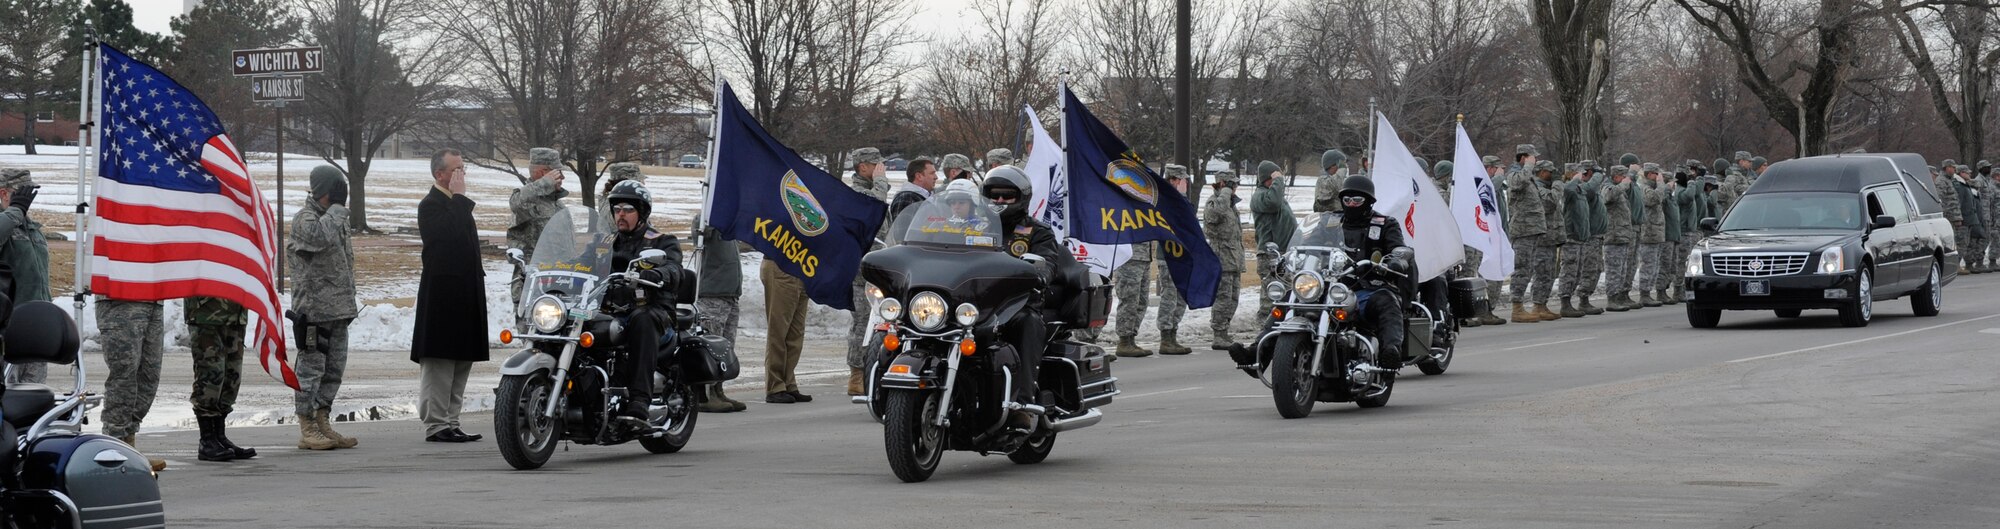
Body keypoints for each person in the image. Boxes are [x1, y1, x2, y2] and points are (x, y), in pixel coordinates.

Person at [981, 166, 1077, 428]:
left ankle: (1023, 404)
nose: (999, 201)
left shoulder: (1037, 232)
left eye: (1006, 196)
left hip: (1016, 303)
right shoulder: (974, 227)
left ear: (1020, 197)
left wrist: (1041, 272)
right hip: (974, 304)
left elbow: (1048, 260)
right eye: (994, 196)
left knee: (1027, 323)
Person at [412, 149, 488, 443]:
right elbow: (447, 235)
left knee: (461, 360)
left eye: (463, 169)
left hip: (464, 294)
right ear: (439, 174)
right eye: (456, 170)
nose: (462, 175)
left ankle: (451, 421)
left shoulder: (457, 205)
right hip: (442, 297)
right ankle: (436, 424)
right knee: (440, 363)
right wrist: (459, 199)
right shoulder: (430, 205)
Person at [290, 165, 361, 450]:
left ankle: (322, 421)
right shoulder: (305, 219)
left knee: (334, 369)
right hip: (314, 311)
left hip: (338, 309)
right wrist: (336, 209)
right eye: (337, 187)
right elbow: (319, 238)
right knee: (310, 368)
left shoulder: (336, 219)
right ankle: (307, 425)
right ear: (325, 190)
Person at [603, 180, 684, 426]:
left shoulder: (661, 241)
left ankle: (639, 401)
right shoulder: (603, 243)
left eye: (627, 209)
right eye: (617, 209)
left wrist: (659, 274)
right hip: (611, 311)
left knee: (642, 320)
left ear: (642, 212)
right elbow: (579, 263)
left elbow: (674, 268)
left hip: (653, 310)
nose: (621, 215)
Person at [1334, 176, 1410, 371]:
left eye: (1357, 200)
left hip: (1369, 287)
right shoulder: (1330, 223)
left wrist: (1395, 260)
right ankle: (1257, 350)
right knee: (1291, 298)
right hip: (1332, 287)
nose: (1351, 204)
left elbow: (1398, 248)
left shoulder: (1385, 224)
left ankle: (1390, 351)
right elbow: (1308, 244)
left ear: (1368, 202)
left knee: (1387, 301)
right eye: (1347, 200)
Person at [184, 297, 261, 460]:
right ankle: (207, 440)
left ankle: (220, 437)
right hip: (206, 310)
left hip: (235, 311)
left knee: (231, 377)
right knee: (211, 376)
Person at [98, 295, 168, 471]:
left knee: (149, 376)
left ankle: (129, 447)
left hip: (153, 297)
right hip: (120, 298)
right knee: (124, 374)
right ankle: (113, 445)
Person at [846, 147, 892, 396]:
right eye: (876, 165)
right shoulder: (857, 192)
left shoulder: (874, 188)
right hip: (861, 271)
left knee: (882, 324)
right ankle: (856, 373)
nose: (880, 169)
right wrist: (882, 182)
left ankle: (875, 371)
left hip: (880, 269)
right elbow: (874, 206)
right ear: (863, 167)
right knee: (862, 323)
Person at [0, 168, 48, 383]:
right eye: (22, 193)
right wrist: (15, 210)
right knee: (7, 393)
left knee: (34, 395)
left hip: (35, 325)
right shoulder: (7, 222)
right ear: (3, 193)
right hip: (7, 327)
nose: (28, 199)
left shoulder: (32, 229)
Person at [695, 227, 748, 413]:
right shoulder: (708, 218)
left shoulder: (730, 221)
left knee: (725, 348)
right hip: (712, 296)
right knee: (711, 348)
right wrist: (709, 222)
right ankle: (705, 395)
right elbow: (699, 233)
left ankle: (718, 390)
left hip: (730, 295)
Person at [508, 147, 568, 309]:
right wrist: (544, 184)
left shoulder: (557, 204)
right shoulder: (528, 199)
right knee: (531, 333)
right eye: (558, 172)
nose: (562, 177)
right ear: (543, 173)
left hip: (557, 282)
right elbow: (516, 203)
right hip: (531, 284)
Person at [1504, 146, 1556, 323]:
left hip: (1532, 229)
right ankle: (1517, 308)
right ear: (1524, 158)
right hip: (1523, 230)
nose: (1535, 160)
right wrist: (1527, 166)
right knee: (1521, 268)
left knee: (1528, 269)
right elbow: (1517, 183)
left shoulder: (1527, 176)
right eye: (1532, 157)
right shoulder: (1515, 173)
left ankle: (1529, 306)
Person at [1202, 170, 1246, 350]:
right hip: (1222, 258)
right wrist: (1225, 191)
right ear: (1222, 184)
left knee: (1233, 298)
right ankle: (1218, 334)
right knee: (1223, 298)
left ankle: (1224, 331)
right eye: (1231, 184)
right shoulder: (1214, 202)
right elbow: (1215, 215)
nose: (1234, 188)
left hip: (1233, 259)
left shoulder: (1230, 205)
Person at [1251, 161, 1298, 327]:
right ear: (1267, 178)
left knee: (1285, 292)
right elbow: (1273, 203)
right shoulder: (1260, 196)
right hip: (1270, 254)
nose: (1279, 180)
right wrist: (1278, 180)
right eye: (1275, 176)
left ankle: (1281, 325)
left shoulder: (1274, 195)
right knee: (1271, 294)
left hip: (1284, 253)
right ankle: (1264, 326)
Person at [1556, 161, 1596, 318]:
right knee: (1569, 270)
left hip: (1581, 236)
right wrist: (1574, 180)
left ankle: (1571, 301)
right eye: (1580, 173)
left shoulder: (1579, 190)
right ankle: (1565, 303)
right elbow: (1566, 191)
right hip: (1571, 235)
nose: (1583, 175)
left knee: (1578, 271)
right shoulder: (1568, 187)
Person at [1602, 165, 1639, 311]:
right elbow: (1608, 197)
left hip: (1623, 236)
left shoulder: (1621, 191)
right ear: (1616, 177)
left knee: (1622, 269)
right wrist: (1624, 184)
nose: (1626, 181)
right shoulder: (1608, 187)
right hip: (1614, 236)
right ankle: (1612, 299)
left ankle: (1619, 297)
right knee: (1613, 270)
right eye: (1623, 178)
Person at [1637, 163, 1669, 307]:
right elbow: (1654, 199)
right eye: (1657, 175)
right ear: (1650, 174)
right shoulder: (1644, 188)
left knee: (1654, 265)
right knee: (1648, 264)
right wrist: (1662, 184)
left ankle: (1649, 292)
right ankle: (1644, 294)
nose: (1659, 177)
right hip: (1649, 233)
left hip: (1656, 233)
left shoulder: (1652, 188)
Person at [1313, 149, 1349, 214]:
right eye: (1342, 163)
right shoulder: (1323, 180)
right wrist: (1342, 169)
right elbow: (1334, 184)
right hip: (1326, 221)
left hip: (1338, 220)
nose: (1346, 166)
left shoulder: (1340, 180)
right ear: (1332, 165)